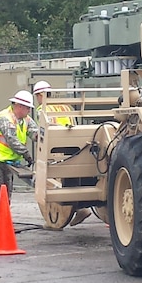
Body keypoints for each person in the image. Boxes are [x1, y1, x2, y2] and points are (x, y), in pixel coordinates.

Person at [32, 81, 91, 227]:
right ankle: (81, 208)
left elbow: (43, 134)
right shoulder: (65, 106)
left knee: (47, 181)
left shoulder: (42, 110)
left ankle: (64, 213)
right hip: (75, 148)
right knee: (75, 179)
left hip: (56, 150)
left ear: (40, 95)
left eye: (37, 96)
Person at [0, 90, 38, 223]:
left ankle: (4, 218)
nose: (29, 111)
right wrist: (27, 155)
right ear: (19, 106)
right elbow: (12, 140)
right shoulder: (5, 119)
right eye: (28, 108)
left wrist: (43, 138)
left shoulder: (25, 120)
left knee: (7, 191)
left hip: (8, 161)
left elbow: (35, 133)